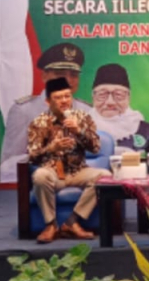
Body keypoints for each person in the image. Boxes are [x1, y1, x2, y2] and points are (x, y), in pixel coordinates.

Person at [27, 77, 110, 243]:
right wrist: (51, 148)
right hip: (53, 172)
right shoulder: (39, 122)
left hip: (78, 171)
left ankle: (72, 222)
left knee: (105, 176)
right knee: (40, 176)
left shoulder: (83, 118)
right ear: (48, 101)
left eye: (67, 96)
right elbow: (32, 156)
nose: (64, 101)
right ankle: (50, 225)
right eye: (58, 98)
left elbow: (95, 148)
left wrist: (79, 131)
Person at [0, 42, 90, 182]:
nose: (68, 81)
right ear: (44, 76)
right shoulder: (24, 110)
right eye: (60, 74)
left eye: (74, 75)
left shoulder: (87, 110)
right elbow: (9, 164)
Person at [87, 63, 149, 150]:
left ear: (128, 98)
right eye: (102, 95)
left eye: (118, 95)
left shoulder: (147, 131)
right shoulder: (81, 128)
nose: (110, 102)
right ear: (93, 97)